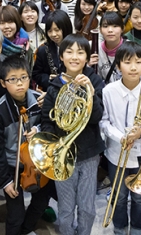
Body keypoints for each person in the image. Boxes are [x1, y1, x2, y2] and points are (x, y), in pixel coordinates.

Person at [40, 34, 106, 235]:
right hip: (63, 156)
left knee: (87, 207)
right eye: (69, 52)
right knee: (66, 207)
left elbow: (96, 117)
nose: (74, 57)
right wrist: (56, 146)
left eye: (80, 52)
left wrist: (90, 93)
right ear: (61, 57)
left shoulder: (95, 81)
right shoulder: (54, 86)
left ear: (87, 57)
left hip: (89, 154)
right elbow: (47, 120)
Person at [100, 41, 141, 235]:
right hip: (116, 153)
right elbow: (104, 122)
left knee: (139, 197)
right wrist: (121, 136)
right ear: (119, 65)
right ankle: (119, 228)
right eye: (128, 62)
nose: (133, 67)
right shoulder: (108, 91)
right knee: (119, 196)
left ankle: (138, 228)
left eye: (139, 62)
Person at [0, 55, 53, 235]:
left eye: (24, 78)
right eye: (13, 79)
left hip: (38, 163)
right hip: (13, 167)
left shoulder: (39, 100)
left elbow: (50, 125)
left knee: (41, 202)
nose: (20, 84)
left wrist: (37, 128)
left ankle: (27, 229)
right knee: (15, 214)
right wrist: (5, 181)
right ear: (3, 83)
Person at [32, 10, 74, 92]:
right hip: (51, 91)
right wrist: (48, 79)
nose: (53, 34)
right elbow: (36, 74)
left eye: (57, 30)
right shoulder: (43, 49)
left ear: (66, 28)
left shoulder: (76, 47)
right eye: (50, 31)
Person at [95, 12, 125, 84]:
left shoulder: (131, 49)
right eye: (105, 26)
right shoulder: (95, 49)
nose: (110, 30)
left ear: (122, 28)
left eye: (115, 26)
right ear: (100, 29)